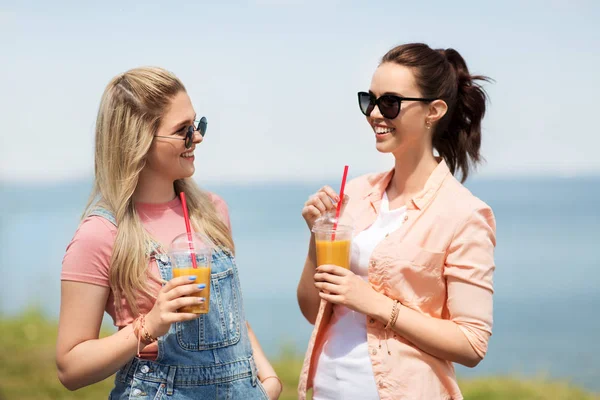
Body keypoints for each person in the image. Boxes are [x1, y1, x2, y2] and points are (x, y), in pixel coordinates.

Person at [56, 67, 282, 399]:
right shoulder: (101, 234)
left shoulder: (212, 211)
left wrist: (268, 380)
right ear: (139, 140)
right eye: (184, 131)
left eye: (197, 125)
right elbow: (70, 368)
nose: (199, 137)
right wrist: (150, 325)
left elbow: (230, 318)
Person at [297, 43, 496, 400]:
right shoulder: (354, 195)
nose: (374, 113)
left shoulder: (464, 214)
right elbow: (315, 311)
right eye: (368, 100)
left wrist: (374, 303)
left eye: (389, 102)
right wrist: (317, 236)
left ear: (433, 111)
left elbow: (471, 343)